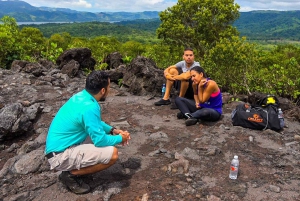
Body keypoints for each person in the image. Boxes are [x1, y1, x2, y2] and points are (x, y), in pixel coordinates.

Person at [45, 70, 131, 194]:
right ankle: (70, 175)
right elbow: (100, 140)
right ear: (103, 90)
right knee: (113, 154)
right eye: (109, 87)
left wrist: (113, 131)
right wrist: (120, 139)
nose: (109, 89)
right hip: (59, 156)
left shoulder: (81, 96)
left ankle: (75, 165)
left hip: (57, 147)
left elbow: (93, 123)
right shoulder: (90, 107)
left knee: (103, 138)